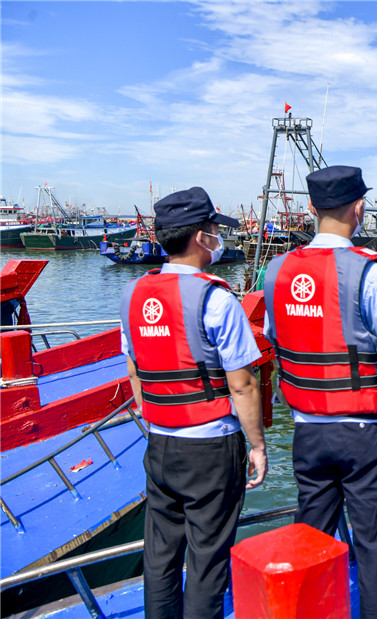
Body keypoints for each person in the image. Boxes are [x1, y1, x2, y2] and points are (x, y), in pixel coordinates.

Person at [263, 166, 377, 619]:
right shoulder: (369, 271)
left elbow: (276, 341)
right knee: (375, 546)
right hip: (365, 432)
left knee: (310, 536)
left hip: (307, 432)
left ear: (310, 208)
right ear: (359, 207)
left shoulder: (276, 271)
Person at [119, 187, 267, 619]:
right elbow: (243, 384)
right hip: (211, 447)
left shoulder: (133, 295)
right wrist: (256, 446)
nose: (219, 238)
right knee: (207, 559)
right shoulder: (216, 299)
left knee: (160, 555)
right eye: (215, 230)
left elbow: (135, 373)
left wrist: (157, 423)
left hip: (160, 443)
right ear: (202, 237)